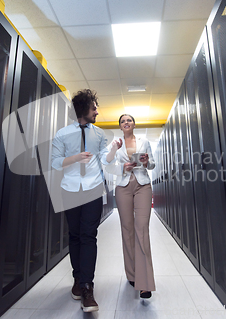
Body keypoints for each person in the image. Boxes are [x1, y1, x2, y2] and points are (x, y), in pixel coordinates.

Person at [51, 89, 121, 312]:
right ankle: (77, 279)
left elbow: (104, 160)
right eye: (94, 108)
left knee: (89, 235)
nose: (97, 112)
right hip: (70, 189)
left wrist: (112, 151)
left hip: (92, 189)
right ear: (83, 109)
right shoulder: (62, 133)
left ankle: (87, 287)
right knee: (74, 235)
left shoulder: (99, 134)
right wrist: (75, 158)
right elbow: (54, 162)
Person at [105, 114, 156, 298]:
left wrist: (146, 161)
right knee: (127, 230)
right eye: (122, 121)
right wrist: (122, 167)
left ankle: (145, 282)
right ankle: (132, 274)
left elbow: (152, 164)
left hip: (142, 184)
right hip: (123, 187)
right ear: (120, 127)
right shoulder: (115, 145)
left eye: (129, 120)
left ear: (134, 124)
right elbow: (108, 166)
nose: (126, 123)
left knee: (141, 229)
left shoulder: (144, 141)